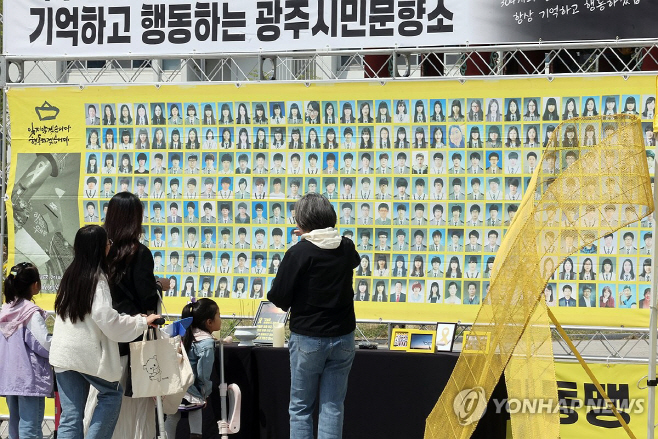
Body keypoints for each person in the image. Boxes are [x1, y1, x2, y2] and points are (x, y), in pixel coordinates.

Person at [50, 225, 160, 439]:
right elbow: (108, 321)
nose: (110, 246)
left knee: (71, 415)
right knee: (112, 394)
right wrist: (141, 322)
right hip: (85, 353)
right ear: (99, 248)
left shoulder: (69, 276)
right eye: (108, 242)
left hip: (63, 353)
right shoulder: (97, 279)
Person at [268, 193, 359, 439]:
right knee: (333, 406)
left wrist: (306, 239)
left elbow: (279, 297)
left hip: (308, 338)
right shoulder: (346, 246)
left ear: (302, 221)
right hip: (343, 336)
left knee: (301, 408)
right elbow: (352, 259)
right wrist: (311, 235)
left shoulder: (299, 253)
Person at [98, 192, 169, 439]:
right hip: (135, 336)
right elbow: (147, 297)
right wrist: (158, 286)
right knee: (137, 400)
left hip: (104, 336)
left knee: (103, 400)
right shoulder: (140, 253)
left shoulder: (100, 252)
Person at [0, 262, 52, 439]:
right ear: (35, 285)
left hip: (10, 379)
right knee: (30, 429)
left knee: (15, 427)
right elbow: (44, 345)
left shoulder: (6, 310)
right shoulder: (30, 313)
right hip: (29, 379)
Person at [164, 298, 221, 439]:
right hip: (192, 388)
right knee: (195, 412)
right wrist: (204, 393)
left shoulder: (185, 334)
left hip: (174, 384)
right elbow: (203, 373)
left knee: (172, 417)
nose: (220, 319)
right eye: (219, 315)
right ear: (209, 322)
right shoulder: (206, 343)